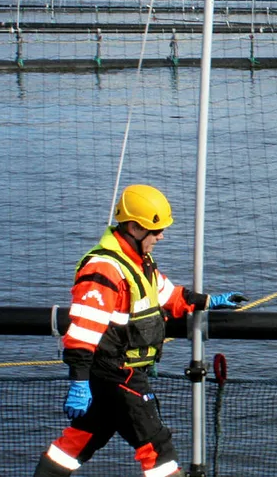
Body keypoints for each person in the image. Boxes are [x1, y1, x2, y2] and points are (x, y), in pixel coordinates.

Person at [33, 184, 248, 477]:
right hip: (118, 374)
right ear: (134, 228)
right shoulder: (104, 270)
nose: (161, 237)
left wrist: (209, 301)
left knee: (77, 442)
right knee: (157, 448)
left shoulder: (139, 263)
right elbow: (83, 330)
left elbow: (168, 296)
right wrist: (79, 383)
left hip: (117, 375)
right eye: (155, 230)